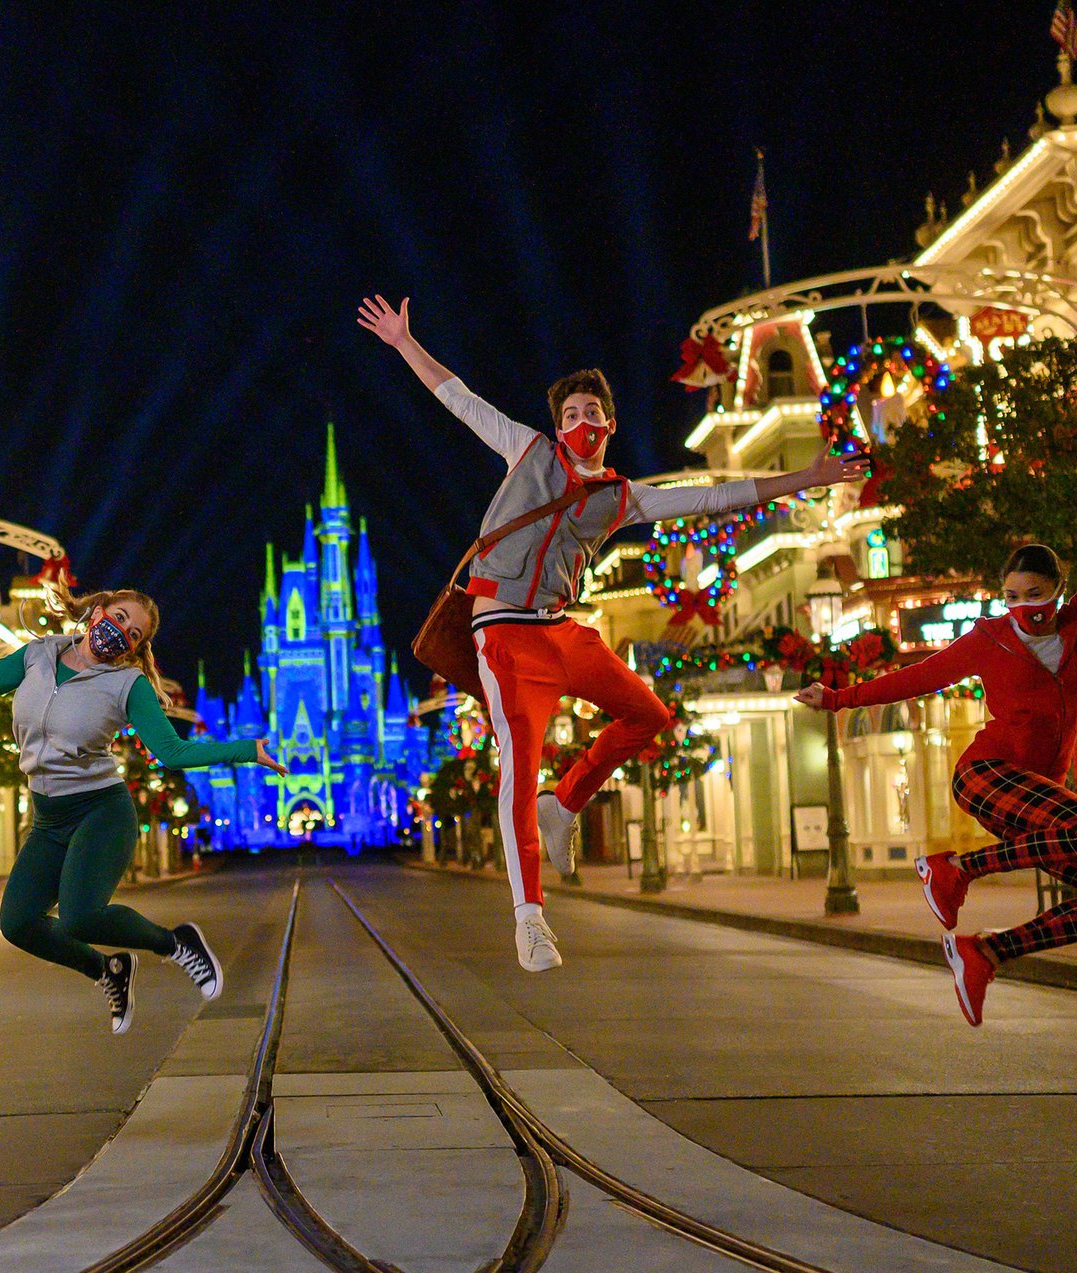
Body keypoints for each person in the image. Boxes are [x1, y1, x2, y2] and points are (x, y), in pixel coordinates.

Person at [360, 295, 865, 970]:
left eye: (591, 411)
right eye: (569, 413)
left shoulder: (622, 497)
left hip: (563, 632)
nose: (580, 420)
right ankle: (530, 919)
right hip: (505, 638)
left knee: (649, 713)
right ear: (557, 424)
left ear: (610, 424)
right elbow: (460, 399)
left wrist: (806, 478)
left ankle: (564, 805)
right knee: (518, 773)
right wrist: (402, 343)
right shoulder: (527, 450)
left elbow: (713, 498)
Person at [798, 423, 1077, 1027]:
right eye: (1011, 595)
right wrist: (838, 699)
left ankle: (984, 951)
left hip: (1039, 797)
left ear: (1058, 592)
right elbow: (917, 678)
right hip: (986, 775)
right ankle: (954, 868)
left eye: (1035, 594)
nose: (1023, 607)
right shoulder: (988, 640)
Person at [0, 584, 285, 1033]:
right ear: (98, 611)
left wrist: (246, 749)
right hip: (48, 817)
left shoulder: (127, 685)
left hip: (100, 811)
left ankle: (176, 943)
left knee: (80, 917)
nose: (121, 634)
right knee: (17, 923)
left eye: (133, 635)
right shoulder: (39, 654)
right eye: (119, 618)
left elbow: (171, 751)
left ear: (137, 648)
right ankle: (107, 971)